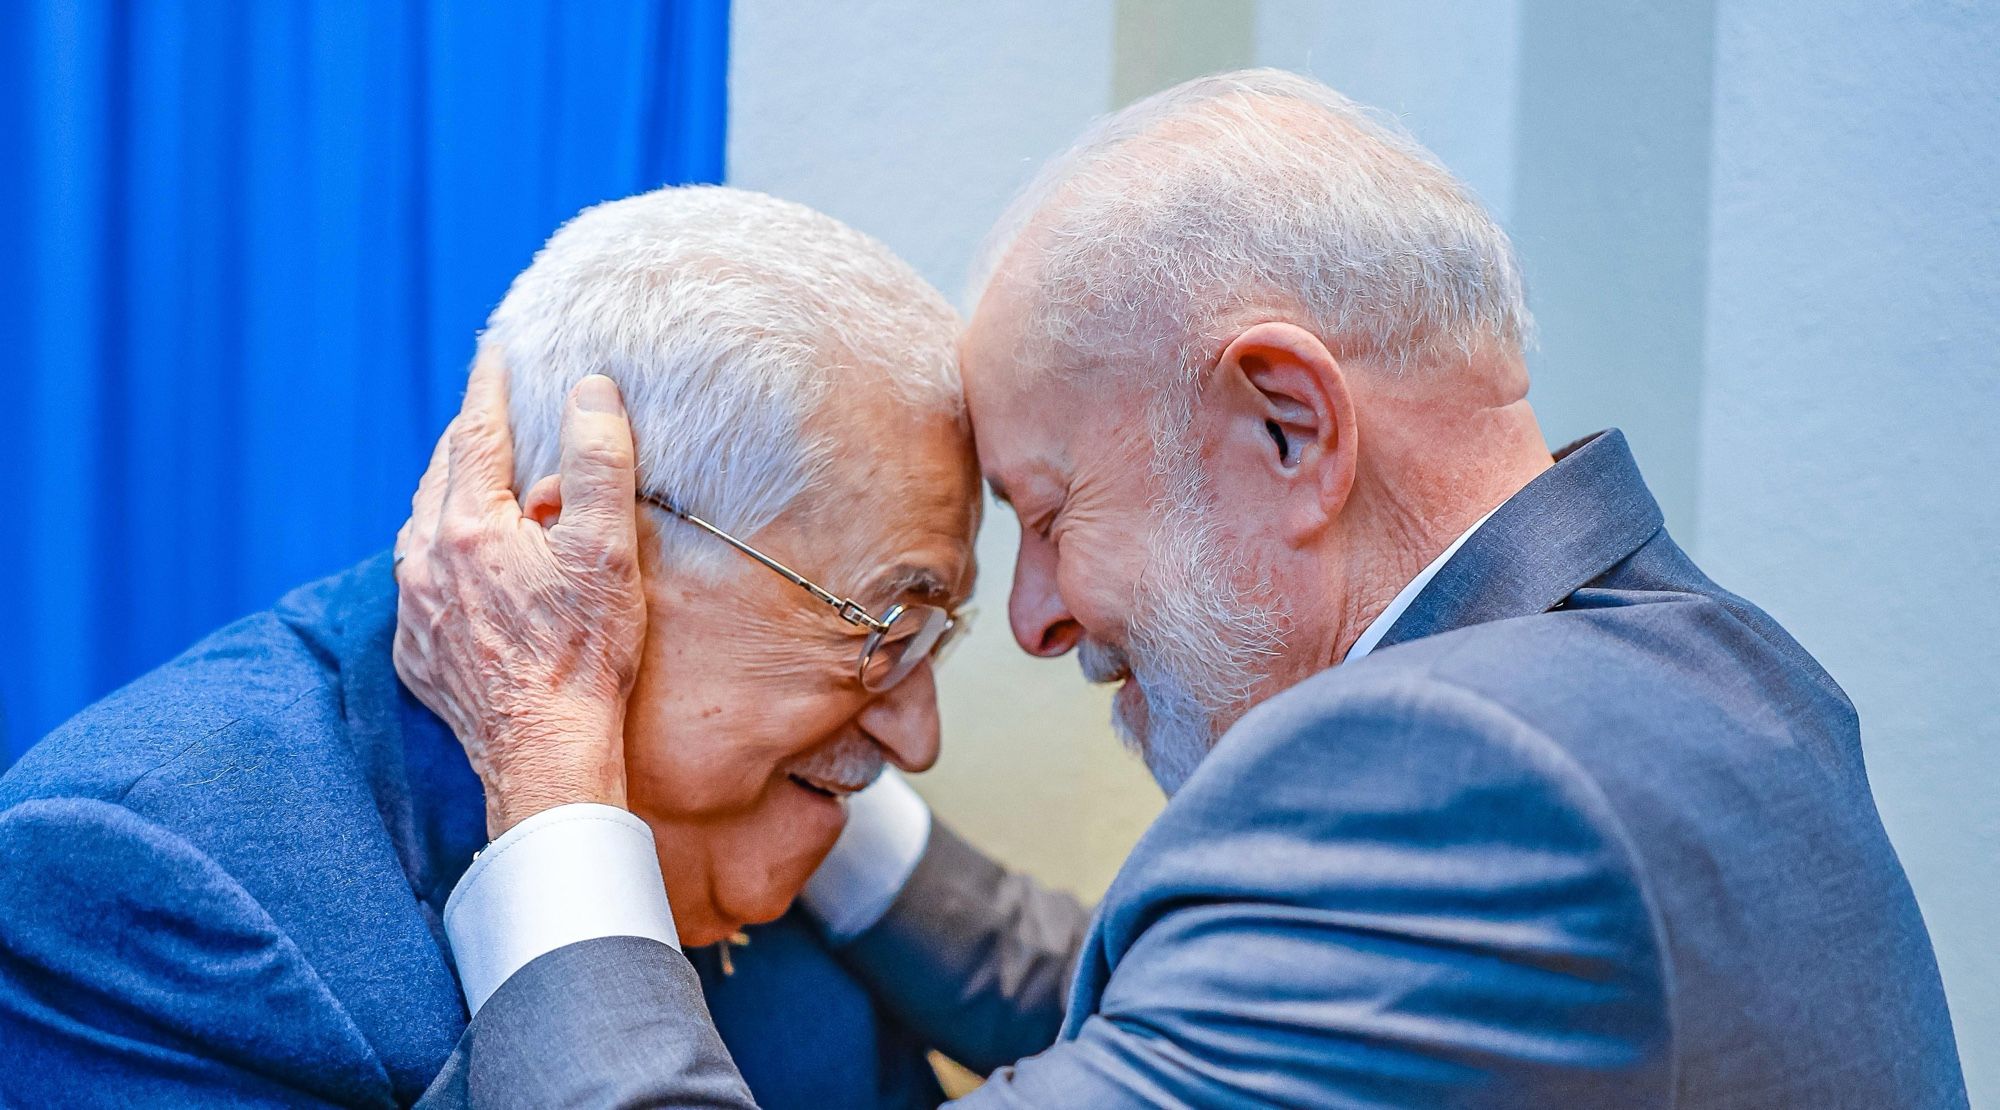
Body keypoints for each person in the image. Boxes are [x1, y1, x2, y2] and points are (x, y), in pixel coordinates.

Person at [395, 71, 1969, 1107]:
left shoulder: (1461, 781)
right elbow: (1177, 1017)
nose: (1036, 618)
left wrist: (554, 762)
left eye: (1049, 511)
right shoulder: (1702, 673)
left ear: (1287, 428)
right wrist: (814, 763)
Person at [0, 185, 979, 1108]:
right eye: (885, 624)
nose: (920, 735)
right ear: (580, 546)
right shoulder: (132, 875)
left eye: (935, 635)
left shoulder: (760, 792)